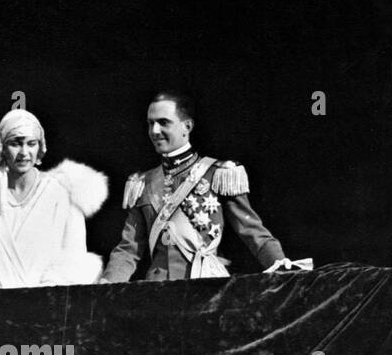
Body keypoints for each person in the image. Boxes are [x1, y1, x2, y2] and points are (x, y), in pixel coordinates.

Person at [100, 91, 299, 283]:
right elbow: (129, 248)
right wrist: (107, 284)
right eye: (150, 123)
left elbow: (253, 232)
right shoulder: (143, 182)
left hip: (205, 287)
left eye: (163, 123)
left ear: (187, 126)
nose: (154, 131)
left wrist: (282, 268)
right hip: (158, 290)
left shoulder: (219, 174)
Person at [0, 108, 108, 290]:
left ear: (40, 148)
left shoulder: (63, 195)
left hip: (47, 309)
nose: (24, 152)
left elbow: (75, 261)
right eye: (15, 143)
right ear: (2, 147)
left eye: (31, 143)